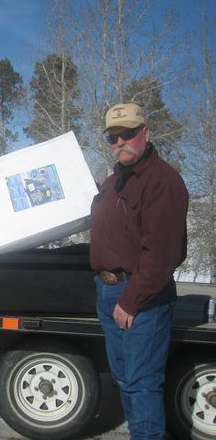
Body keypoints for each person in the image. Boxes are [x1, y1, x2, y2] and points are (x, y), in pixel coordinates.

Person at [90, 103, 189, 439]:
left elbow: (162, 254)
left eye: (128, 134)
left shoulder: (163, 181)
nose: (121, 142)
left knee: (142, 384)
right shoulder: (113, 182)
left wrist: (132, 300)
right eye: (113, 137)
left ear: (145, 133)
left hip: (140, 297)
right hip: (109, 291)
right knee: (126, 381)